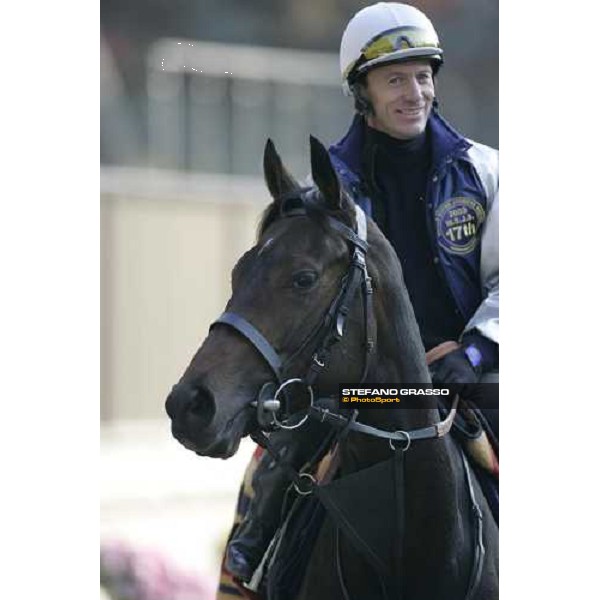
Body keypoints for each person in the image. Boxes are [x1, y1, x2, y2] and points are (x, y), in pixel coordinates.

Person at [220, 2, 498, 595]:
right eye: (395, 79)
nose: (414, 92)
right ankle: (242, 571)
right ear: (361, 92)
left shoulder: (487, 172)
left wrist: (470, 355)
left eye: (423, 75)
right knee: (268, 469)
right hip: (368, 390)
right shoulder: (326, 192)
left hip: (475, 379)